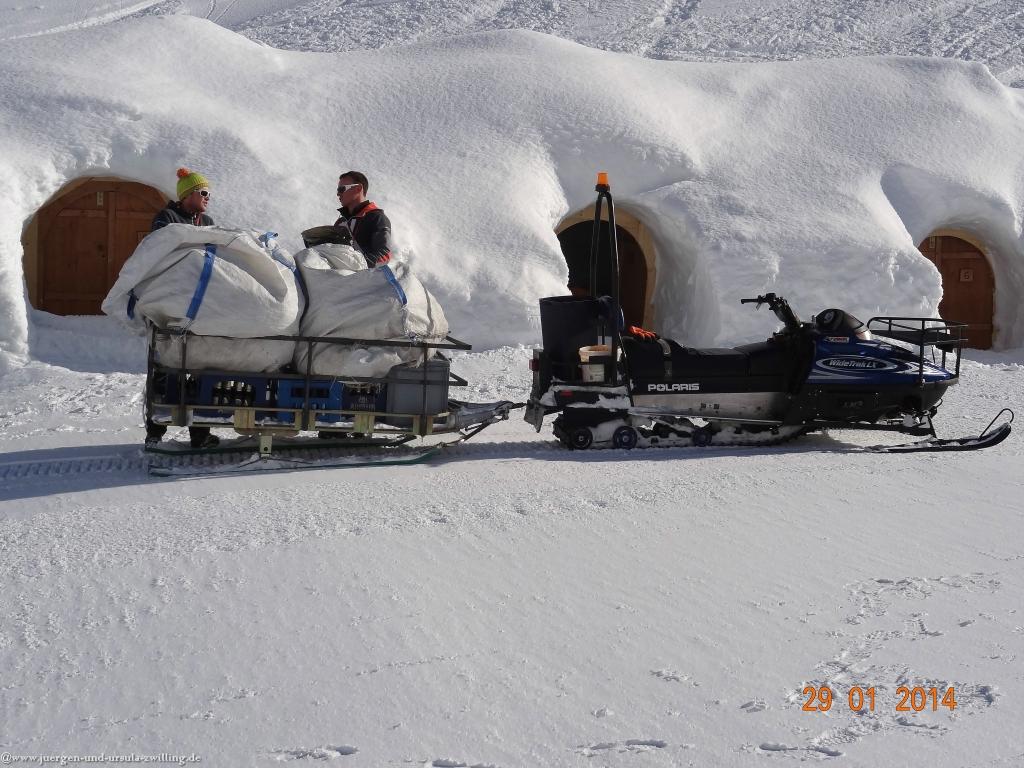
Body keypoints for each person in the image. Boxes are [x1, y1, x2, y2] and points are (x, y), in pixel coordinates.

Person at [145, 167, 219, 449]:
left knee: (199, 370)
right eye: (203, 192)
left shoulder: (208, 221)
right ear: (187, 194)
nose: (208, 197)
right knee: (165, 368)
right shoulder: (166, 219)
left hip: (201, 306)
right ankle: (155, 432)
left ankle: (200, 434)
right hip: (172, 302)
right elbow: (162, 252)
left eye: (209, 193)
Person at [334, 171, 393, 267]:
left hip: (365, 280)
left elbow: (384, 256)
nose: (338, 194)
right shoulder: (341, 222)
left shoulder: (376, 217)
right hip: (339, 279)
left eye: (341, 189)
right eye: (338, 190)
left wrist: (353, 265)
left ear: (358, 188)